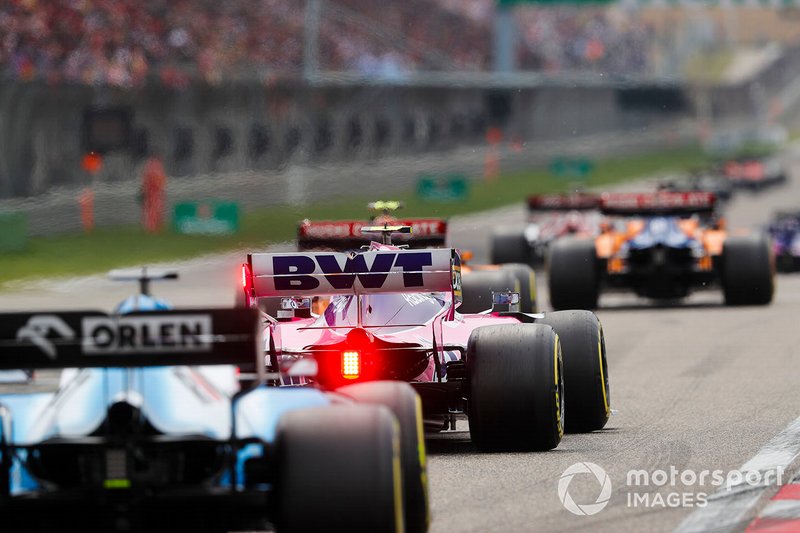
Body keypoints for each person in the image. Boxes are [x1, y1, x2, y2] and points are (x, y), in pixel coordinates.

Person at [141, 152, 167, 233]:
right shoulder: (155, 166)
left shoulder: (149, 166)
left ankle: (152, 227)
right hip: (154, 192)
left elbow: (147, 180)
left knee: (153, 209)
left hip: (152, 192)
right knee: (154, 209)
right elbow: (158, 180)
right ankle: (152, 227)